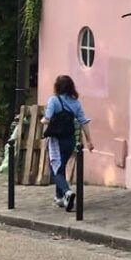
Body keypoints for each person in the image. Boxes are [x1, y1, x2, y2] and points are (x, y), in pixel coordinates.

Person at [41, 75, 93, 212]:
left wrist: (43, 122)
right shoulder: (75, 103)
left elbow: (47, 119)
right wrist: (89, 141)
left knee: (55, 170)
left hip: (56, 141)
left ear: (57, 87)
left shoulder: (54, 100)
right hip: (70, 140)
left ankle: (67, 192)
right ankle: (60, 198)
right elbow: (84, 121)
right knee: (61, 166)